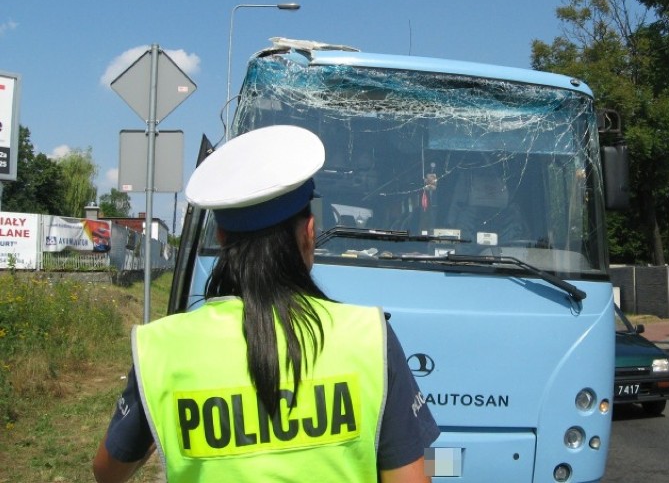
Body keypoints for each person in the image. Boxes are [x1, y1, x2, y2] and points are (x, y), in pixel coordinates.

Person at [93, 125, 440, 482]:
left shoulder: (160, 348)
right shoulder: (370, 336)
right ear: (309, 232)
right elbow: (415, 476)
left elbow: (107, 472)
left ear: (222, 237)